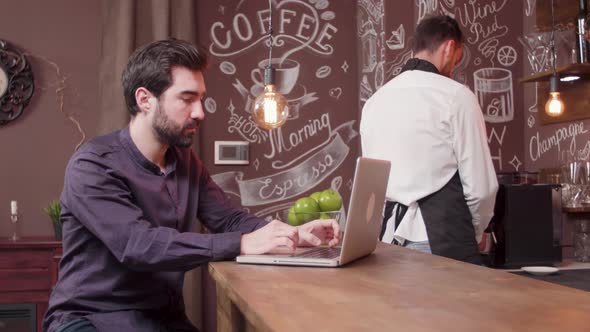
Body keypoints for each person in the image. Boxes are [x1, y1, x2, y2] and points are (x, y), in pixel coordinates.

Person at [43, 39, 340, 332]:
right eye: (187, 99)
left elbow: (229, 220)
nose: (200, 112)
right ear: (145, 100)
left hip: (161, 319)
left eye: (200, 98)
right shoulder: (93, 164)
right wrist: (241, 243)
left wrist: (292, 235)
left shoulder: (184, 160)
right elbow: (139, 245)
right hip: (89, 318)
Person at [360, 15, 498, 265]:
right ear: (450, 47)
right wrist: (475, 230)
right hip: (445, 239)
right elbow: (482, 188)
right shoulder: (457, 96)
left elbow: (374, 186)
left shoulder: (374, 102)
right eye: (457, 58)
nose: (454, 67)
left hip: (388, 241)